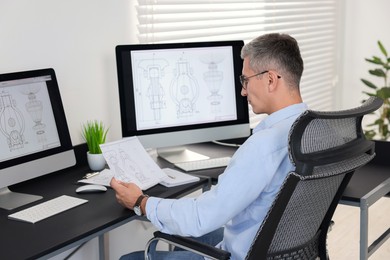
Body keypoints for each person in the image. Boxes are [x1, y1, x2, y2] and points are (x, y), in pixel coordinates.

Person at [110, 33, 308, 260]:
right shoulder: (313, 129)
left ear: (271, 80)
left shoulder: (263, 146)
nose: (243, 91)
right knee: (186, 233)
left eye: (246, 80)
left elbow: (199, 218)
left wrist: (140, 202)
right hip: (280, 248)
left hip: (245, 253)